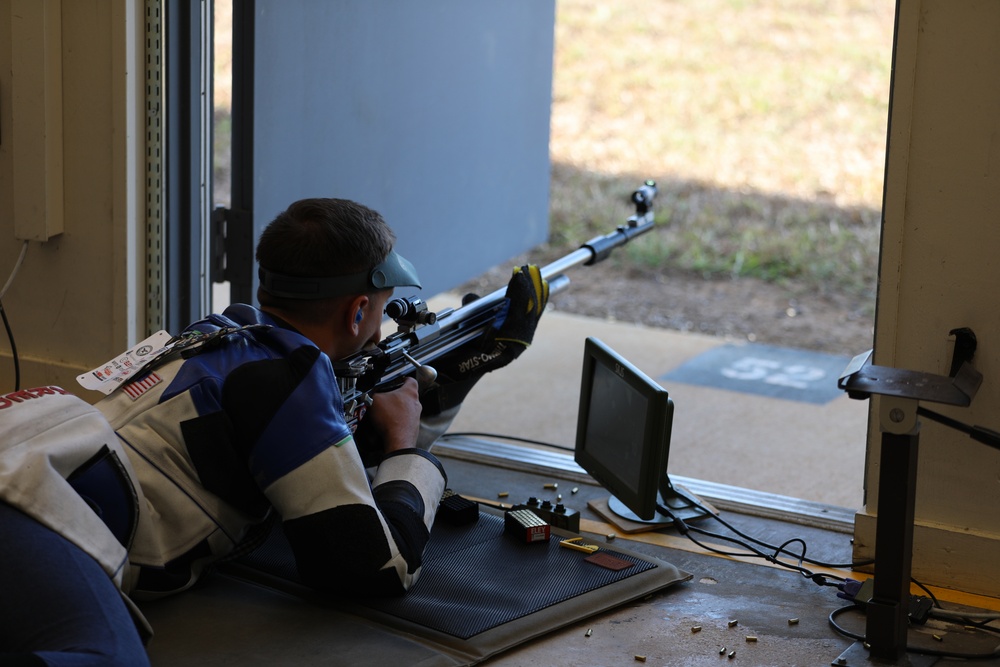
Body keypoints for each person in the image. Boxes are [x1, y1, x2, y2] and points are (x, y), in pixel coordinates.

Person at [0, 198, 549, 666]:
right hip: (36, 511)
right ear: (359, 310)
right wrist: (406, 444)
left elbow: (323, 474)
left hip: (24, 456)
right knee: (102, 654)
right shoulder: (290, 376)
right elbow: (370, 565)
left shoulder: (224, 332)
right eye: (382, 313)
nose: (382, 330)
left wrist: (455, 376)